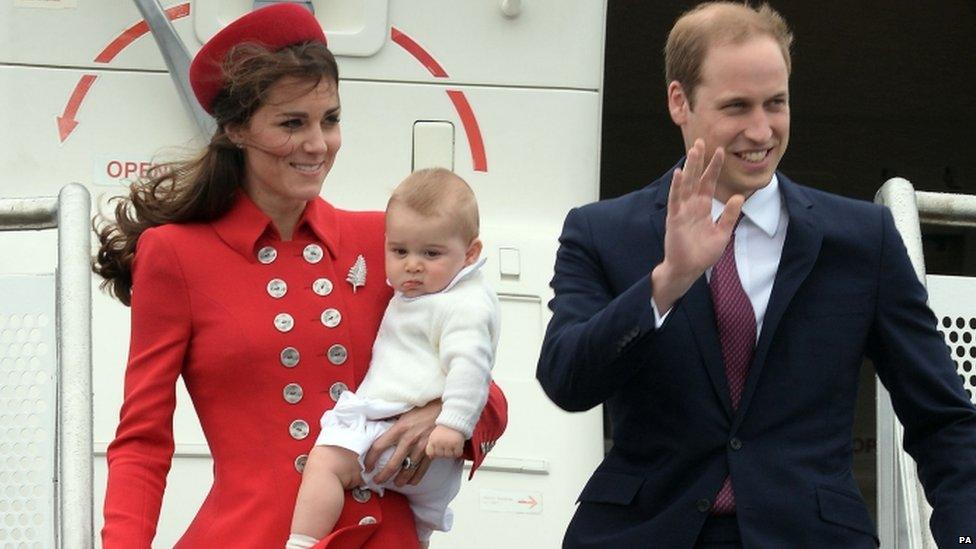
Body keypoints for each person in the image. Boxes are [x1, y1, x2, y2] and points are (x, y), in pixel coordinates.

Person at [536, 2, 976, 548]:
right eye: (737, 107)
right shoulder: (601, 232)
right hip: (643, 532)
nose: (761, 130)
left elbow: (943, 418)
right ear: (680, 101)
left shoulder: (864, 240)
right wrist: (668, 280)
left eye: (776, 103)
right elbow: (565, 380)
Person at [94, 5, 506, 548]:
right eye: (292, 123)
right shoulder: (174, 254)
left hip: (381, 536)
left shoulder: (382, 240)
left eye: (330, 120)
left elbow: (484, 382)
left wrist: (437, 415)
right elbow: (143, 441)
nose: (319, 145)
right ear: (237, 129)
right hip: (252, 534)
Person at [288, 168, 500, 549]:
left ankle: (301, 543)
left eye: (430, 254)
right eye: (399, 251)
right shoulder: (435, 288)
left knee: (327, 463)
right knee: (414, 535)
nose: (413, 264)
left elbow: (473, 366)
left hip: (406, 436)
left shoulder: (462, 304)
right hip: (426, 461)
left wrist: (452, 422)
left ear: (470, 254)